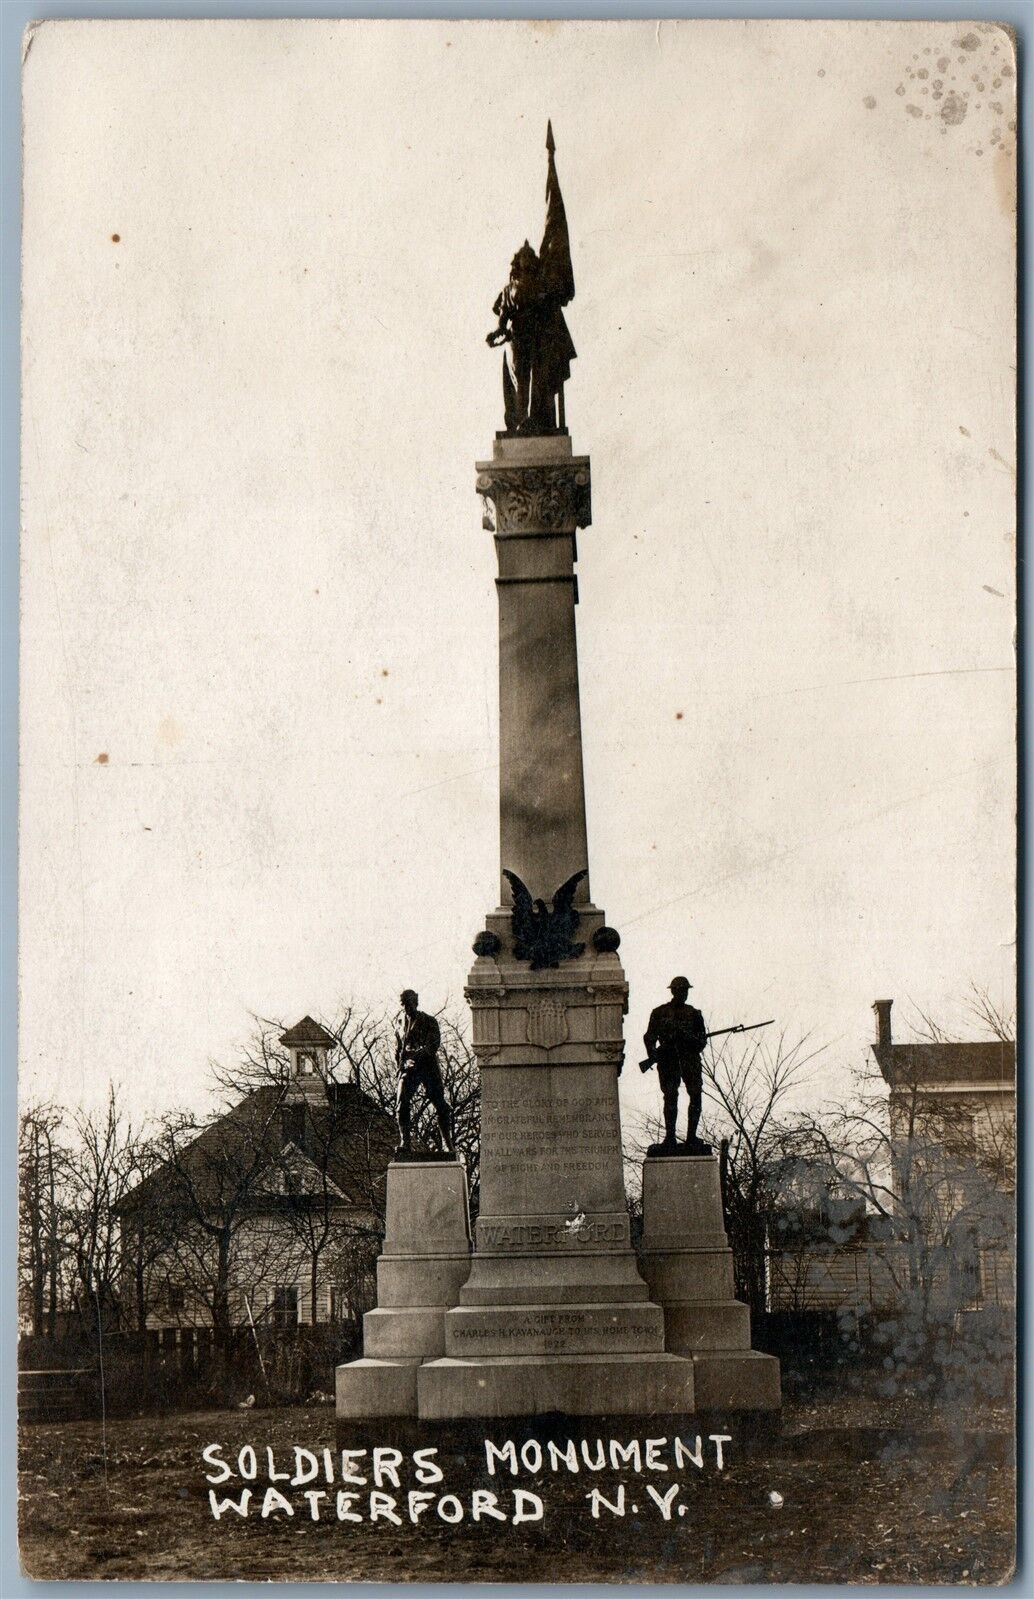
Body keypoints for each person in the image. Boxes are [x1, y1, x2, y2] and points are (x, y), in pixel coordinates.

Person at [643, 977, 708, 1152]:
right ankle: (670, 1138)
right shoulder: (659, 1012)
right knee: (670, 1096)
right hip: (668, 1059)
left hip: (689, 1059)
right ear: (673, 991)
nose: (683, 994)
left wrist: (688, 1037)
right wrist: (653, 1053)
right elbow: (649, 1036)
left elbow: (702, 1042)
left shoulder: (695, 1014)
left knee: (695, 1095)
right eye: (680, 990)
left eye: (685, 990)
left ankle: (691, 1137)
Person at [395, 990, 453, 1154]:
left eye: (410, 1003)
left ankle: (447, 1143)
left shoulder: (429, 1021)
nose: (407, 1007)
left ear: (416, 1003)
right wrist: (400, 1064)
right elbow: (398, 1048)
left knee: (440, 1104)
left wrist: (416, 1054)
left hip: (427, 1067)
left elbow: (432, 1046)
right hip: (408, 1068)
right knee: (401, 1105)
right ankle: (405, 1142)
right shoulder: (399, 1023)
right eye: (404, 1004)